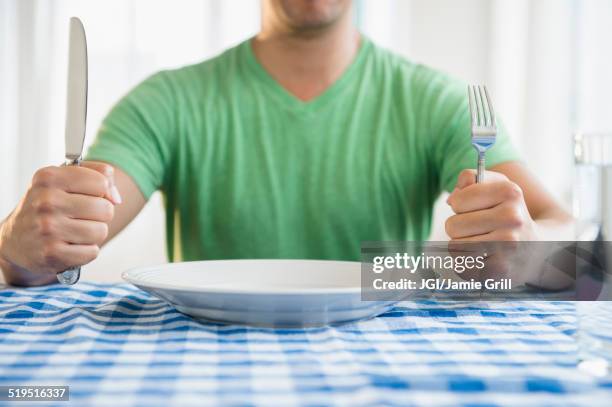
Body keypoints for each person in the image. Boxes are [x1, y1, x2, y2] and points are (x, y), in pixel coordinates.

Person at [0, 0, 572, 286]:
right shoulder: (166, 101)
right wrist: (16, 246)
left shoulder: (438, 101)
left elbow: (566, 233)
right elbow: (62, 239)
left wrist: (526, 249)